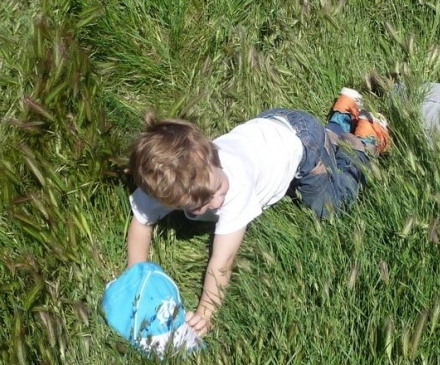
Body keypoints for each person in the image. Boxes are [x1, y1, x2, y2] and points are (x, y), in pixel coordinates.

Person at [126, 88, 391, 337]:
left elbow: (222, 261)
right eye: (198, 206)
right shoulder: (174, 180)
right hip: (273, 124)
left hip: (303, 145)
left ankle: (367, 140)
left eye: (217, 189)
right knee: (324, 147)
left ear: (215, 157)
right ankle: (343, 114)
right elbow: (141, 220)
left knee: (330, 205)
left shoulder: (236, 186)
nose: (217, 203)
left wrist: (206, 312)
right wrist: (137, 277)